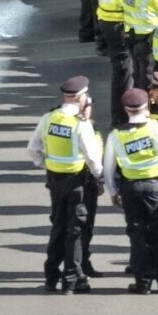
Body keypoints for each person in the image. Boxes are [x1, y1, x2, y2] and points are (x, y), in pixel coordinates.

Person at [26, 75, 103, 293]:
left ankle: (51, 276)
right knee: (75, 231)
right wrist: (99, 177)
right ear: (80, 97)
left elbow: (33, 149)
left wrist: (47, 164)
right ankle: (71, 280)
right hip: (77, 182)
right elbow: (93, 158)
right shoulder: (80, 124)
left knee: (58, 226)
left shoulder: (49, 118)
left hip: (54, 181)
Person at [104, 88, 158, 294]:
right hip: (156, 188)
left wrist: (113, 192)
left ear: (125, 109)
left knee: (137, 235)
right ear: (146, 107)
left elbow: (108, 169)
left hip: (130, 189)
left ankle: (142, 283)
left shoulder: (116, 135)